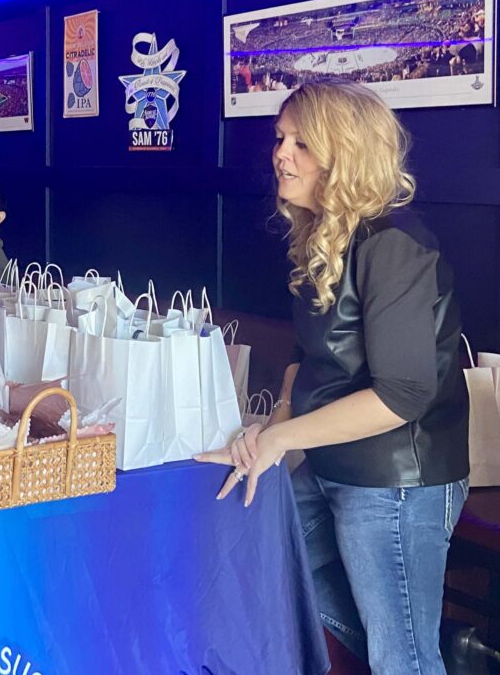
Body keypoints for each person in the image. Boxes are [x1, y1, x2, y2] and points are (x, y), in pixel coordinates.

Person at [197, 78, 469, 675]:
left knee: (400, 657)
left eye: (301, 142)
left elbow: (403, 395)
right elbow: (307, 356)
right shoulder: (325, 238)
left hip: (396, 480)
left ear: (344, 153)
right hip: (332, 464)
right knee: (274, 564)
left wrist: (279, 440)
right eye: (280, 138)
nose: (280, 153)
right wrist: (274, 424)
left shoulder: (394, 245)